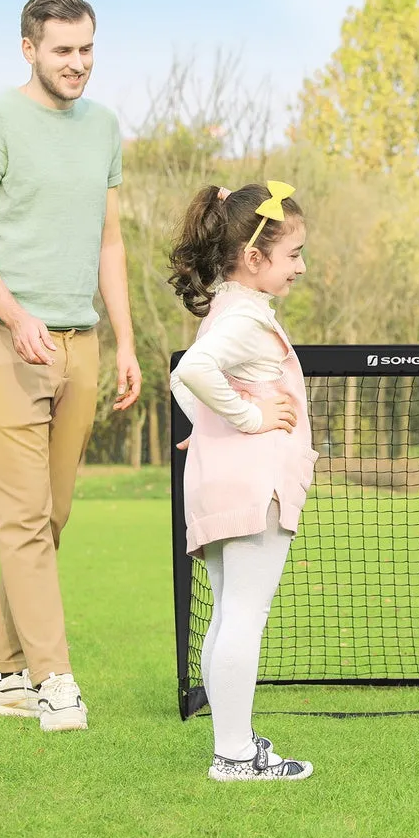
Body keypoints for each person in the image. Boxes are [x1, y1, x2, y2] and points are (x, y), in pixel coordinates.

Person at [0, 0, 141, 732]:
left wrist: (125, 338)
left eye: (87, 48)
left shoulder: (103, 128)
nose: (78, 63)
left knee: (52, 515)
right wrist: (16, 316)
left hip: (82, 342)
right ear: (29, 48)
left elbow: (110, 241)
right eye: (63, 50)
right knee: (24, 518)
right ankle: (52, 679)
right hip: (3, 341)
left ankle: (3, 676)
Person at [169, 180, 317, 782]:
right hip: (254, 488)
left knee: (230, 612)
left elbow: (186, 384)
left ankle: (235, 742)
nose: (300, 268)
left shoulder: (229, 311)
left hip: (222, 483)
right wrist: (248, 417)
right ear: (253, 258)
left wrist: (207, 426)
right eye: (293, 255)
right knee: (244, 615)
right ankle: (232, 755)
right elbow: (194, 369)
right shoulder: (247, 319)